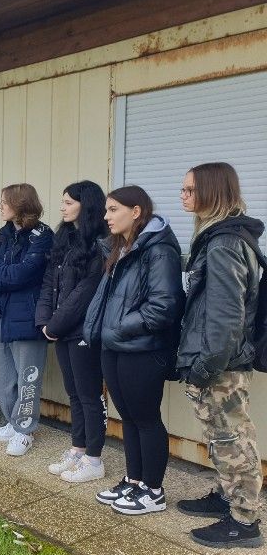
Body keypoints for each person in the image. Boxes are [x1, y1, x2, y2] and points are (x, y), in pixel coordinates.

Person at [176, 162, 263, 548]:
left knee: (232, 438)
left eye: (190, 190)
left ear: (212, 191)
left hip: (220, 365)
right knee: (221, 436)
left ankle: (244, 522)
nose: (183, 195)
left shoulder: (225, 243)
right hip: (217, 361)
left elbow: (227, 317)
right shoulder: (217, 236)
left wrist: (203, 367)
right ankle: (228, 496)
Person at [84, 185, 184, 516]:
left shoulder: (159, 250)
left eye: (113, 209)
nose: (106, 216)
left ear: (136, 211)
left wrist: (120, 326)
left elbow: (164, 306)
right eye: (106, 210)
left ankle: (153, 491)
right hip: (115, 346)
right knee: (127, 417)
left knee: (145, 418)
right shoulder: (122, 248)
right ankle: (134, 481)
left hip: (142, 349)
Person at [36, 181, 109, 482]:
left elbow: (85, 292)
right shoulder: (65, 238)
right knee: (74, 394)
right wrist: (45, 322)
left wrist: (54, 325)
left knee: (89, 396)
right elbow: (49, 283)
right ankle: (78, 450)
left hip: (83, 332)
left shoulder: (100, 244)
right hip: (61, 329)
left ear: (86, 205)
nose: (62, 207)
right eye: (63, 202)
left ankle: (94, 459)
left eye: (69, 202)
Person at [0, 184, 52, 457]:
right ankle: (13, 421)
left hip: (27, 316)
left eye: (4, 201)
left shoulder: (42, 235)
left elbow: (22, 274)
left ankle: (25, 430)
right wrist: (5, 274)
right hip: (0, 312)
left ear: (20, 204)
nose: (0, 206)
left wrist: (3, 274)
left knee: (28, 377)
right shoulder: (5, 232)